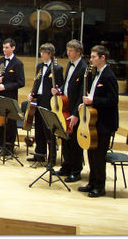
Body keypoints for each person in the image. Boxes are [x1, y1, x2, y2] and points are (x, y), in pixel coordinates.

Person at [78, 45, 119, 198]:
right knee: (91, 152)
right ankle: (92, 182)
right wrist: (87, 103)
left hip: (104, 123)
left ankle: (100, 187)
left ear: (103, 58)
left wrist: (93, 100)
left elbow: (113, 100)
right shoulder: (96, 73)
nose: (91, 59)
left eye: (94, 57)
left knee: (99, 156)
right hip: (94, 121)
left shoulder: (109, 75)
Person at [53, 40, 87, 183]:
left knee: (74, 142)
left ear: (78, 52)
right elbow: (66, 84)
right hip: (65, 107)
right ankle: (66, 166)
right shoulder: (69, 64)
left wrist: (75, 114)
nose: (68, 53)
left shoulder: (83, 67)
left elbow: (81, 93)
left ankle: (75, 170)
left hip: (74, 110)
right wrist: (59, 90)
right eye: (67, 50)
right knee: (65, 138)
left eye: (71, 50)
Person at [26, 43, 64, 163]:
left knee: (49, 131)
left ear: (50, 54)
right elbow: (37, 82)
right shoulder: (39, 66)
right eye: (41, 52)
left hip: (49, 101)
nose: (41, 54)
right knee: (39, 129)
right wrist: (32, 94)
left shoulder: (57, 68)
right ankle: (39, 154)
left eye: (43, 52)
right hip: (39, 99)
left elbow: (61, 85)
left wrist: (57, 91)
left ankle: (52, 158)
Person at [0, 38, 25, 154]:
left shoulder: (18, 63)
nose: (4, 50)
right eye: (3, 47)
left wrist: (5, 87)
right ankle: (0, 145)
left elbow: (21, 82)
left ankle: (9, 147)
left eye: (7, 47)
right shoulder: (0, 60)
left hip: (10, 97)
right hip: (0, 96)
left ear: (13, 48)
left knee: (10, 123)